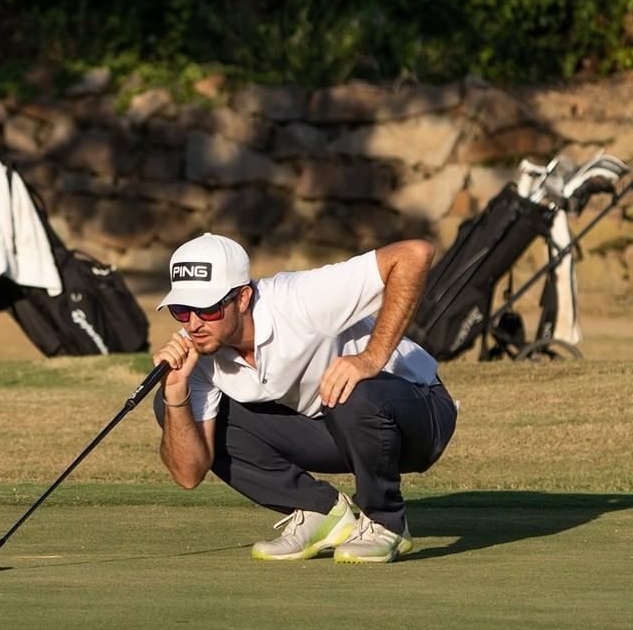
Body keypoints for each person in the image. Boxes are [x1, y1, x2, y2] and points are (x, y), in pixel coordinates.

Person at [151, 232, 457, 563]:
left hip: (419, 414)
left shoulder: (299, 299)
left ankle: (386, 522)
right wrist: (176, 393)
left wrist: (370, 357)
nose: (193, 324)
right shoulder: (196, 356)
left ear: (241, 298)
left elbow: (414, 254)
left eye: (207, 309)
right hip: (337, 428)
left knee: (350, 390)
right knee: (169, 406)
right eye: (182, 310)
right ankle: (319, 512)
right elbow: (188, 474)